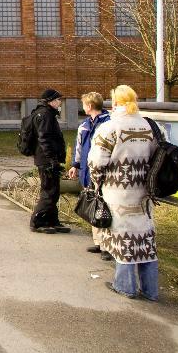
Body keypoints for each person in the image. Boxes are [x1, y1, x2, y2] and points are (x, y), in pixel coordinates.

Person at [87, 84, 163, 301]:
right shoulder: (152, 126)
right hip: (145, 192)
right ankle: (150, 290)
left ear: (115, 103)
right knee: (145, 238)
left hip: (118, 191)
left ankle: (125, 286)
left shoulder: (110, 128)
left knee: (124, 238)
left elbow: (96, 162)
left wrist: (97, 183)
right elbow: (159, 156)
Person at [68, 91, 111, 258]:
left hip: (103, 171)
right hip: (88, 170)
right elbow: (78, 147)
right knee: (94, 203)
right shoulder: (85, 125)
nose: (83, 107)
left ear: (90, 105)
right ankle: (98, 242)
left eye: (84, 104)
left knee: (105, 206)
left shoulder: (107, 123)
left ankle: (108, 246)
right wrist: (75, 165)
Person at [29, 88, 69, 234]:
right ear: (50, 101)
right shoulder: (45, 115)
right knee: (49, 192)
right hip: (46, 160)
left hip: (48, 159)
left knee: (54, 191)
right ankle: (37, 222)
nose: (60, 102)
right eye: (58, 99)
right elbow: (44, 139)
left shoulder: (47, 113)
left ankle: (52, 220)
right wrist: (52, 159)